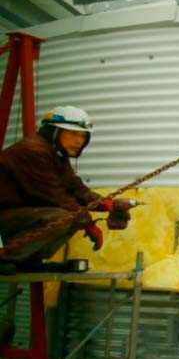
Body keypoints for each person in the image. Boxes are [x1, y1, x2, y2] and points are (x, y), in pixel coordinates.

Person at [0, 106, 105, 267]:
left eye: (84, 136)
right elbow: (56, 197)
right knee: (62, 217)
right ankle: (6, 259)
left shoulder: (56, 153)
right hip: (3, 218)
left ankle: (28, 261)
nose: (79, 141)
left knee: (73, 217)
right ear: (53, 131)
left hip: (12, 218)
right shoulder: (33, 151)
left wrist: (108, 204)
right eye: (73, 134)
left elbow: (76, 188)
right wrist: (88, 223)